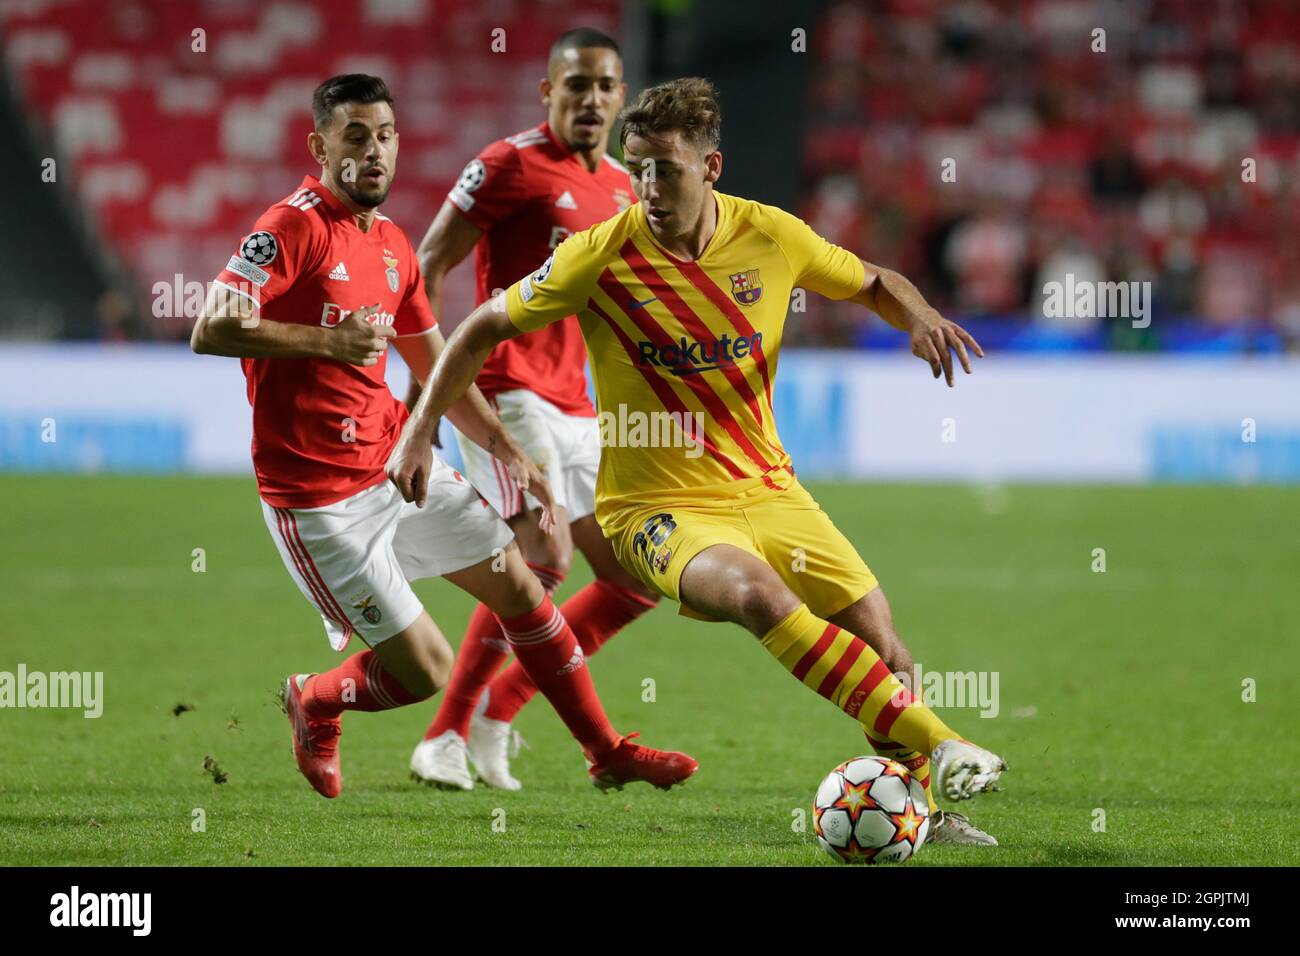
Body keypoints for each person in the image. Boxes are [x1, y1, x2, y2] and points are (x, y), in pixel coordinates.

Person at [387, 78, 1005, 844]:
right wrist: (419, 429)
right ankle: (945, 743)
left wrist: (922, 315)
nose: (646, 187)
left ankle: (920, 810)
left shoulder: (772, 236)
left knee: (882, 642)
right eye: (637, 167)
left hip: (770, 490)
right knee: (755, 595)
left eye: (665, 169)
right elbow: (479, 326)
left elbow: (874, 280)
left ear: (711, 167)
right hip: (656, 510)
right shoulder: (599, 254)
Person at [191, 73, 697, 799]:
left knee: (524, 588)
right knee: (419, 672)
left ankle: (605, 750)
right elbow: (212, 325)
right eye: (356, 136)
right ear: (319, 145)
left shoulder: (394, 244)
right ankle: (318, 698)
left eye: (386, 135)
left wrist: (508, 452)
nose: (374, 151)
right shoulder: (291, 226)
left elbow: (437, 370)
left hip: (394, 468)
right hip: (319, 501)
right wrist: (325, 344)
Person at [406, 27, 661, 792]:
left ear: (621, 98)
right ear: (547, 91)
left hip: (576, 402)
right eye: (573, 85)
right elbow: (428, 263)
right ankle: (442, 736)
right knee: (543, 554)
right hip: (506, 388)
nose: (589, 99)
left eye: (604, 86)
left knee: (633, 578)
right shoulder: (507, 164)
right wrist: (431, 380)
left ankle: (494, 713)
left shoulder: (623, 185)